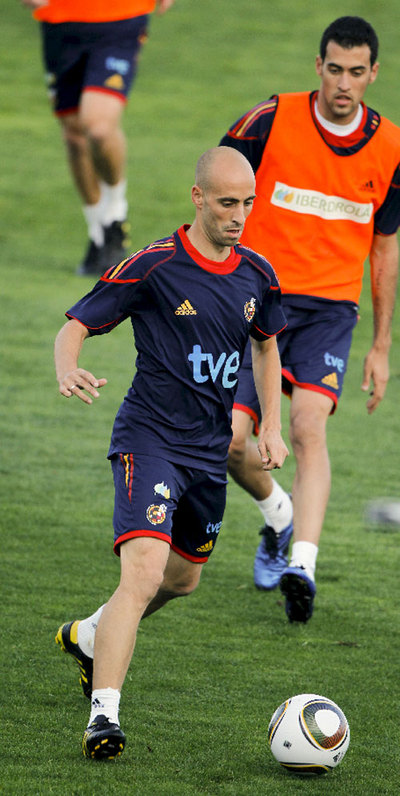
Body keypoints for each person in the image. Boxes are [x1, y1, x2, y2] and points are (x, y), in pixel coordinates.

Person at [54, 146, 289, 759]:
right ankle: (103, 718)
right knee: (144, 573)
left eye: (247, 203)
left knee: (182, 581)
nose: (239, 215)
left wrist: (270, 425)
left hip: (208, 454)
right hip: (149, 441)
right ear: (198, 197)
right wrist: (67, 367)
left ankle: (90, 634)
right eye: (227, 203)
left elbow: (266, 347)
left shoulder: (258, 275)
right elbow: (76, 323)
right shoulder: (155, 266)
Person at [219, 16, 400, 622]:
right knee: (232, 442)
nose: (343, 83)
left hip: (329, 309)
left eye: (356, 72)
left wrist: (380, 345)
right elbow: (216, 189)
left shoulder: (392, 147)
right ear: (317, 66)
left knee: (307, 427)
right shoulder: (268, 120)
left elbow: (384, 247)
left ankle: (303, 563)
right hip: (258, 301)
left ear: (373, 74)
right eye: (333, 69)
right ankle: (278, 516)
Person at [22, 0, 175, 275]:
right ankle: (99, 233)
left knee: (98, 128)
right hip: (60, 21)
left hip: (121, 17)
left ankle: (116, 211)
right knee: (74, 136)